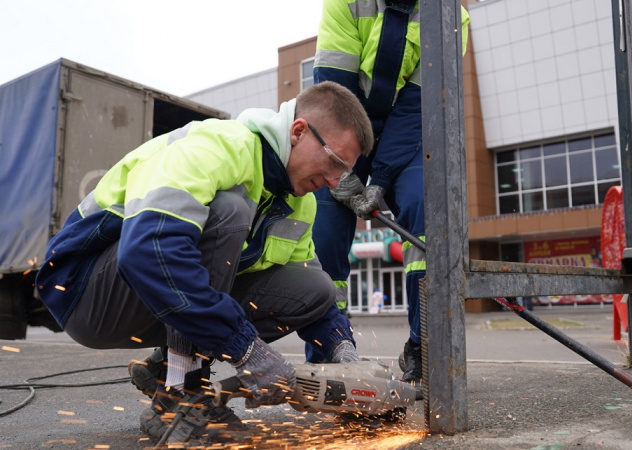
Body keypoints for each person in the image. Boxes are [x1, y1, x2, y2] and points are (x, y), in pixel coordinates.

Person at [34, 81, 374, 445]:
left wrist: (342, 352)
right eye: (335, 162)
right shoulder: (219, 145)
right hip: (87, 292)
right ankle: (181, 393)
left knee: (315, 288)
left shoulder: (298, 202)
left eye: (345, 173)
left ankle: (167, 367)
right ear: (298, 131)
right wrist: (245, 347)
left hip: (149, 298)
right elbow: (149, 252)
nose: (335, 182)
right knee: (227, 210)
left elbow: (312, 299)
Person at [309, 0, 469, 385]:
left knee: (424, 207)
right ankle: (328, 351)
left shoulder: (451, 15)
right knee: (325, 235)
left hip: (407, 135)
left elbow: (417, 106)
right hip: (343, 129)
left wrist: (379, 178)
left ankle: (423, 343)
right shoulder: (346, 3)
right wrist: (344, 171)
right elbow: (334, 92)